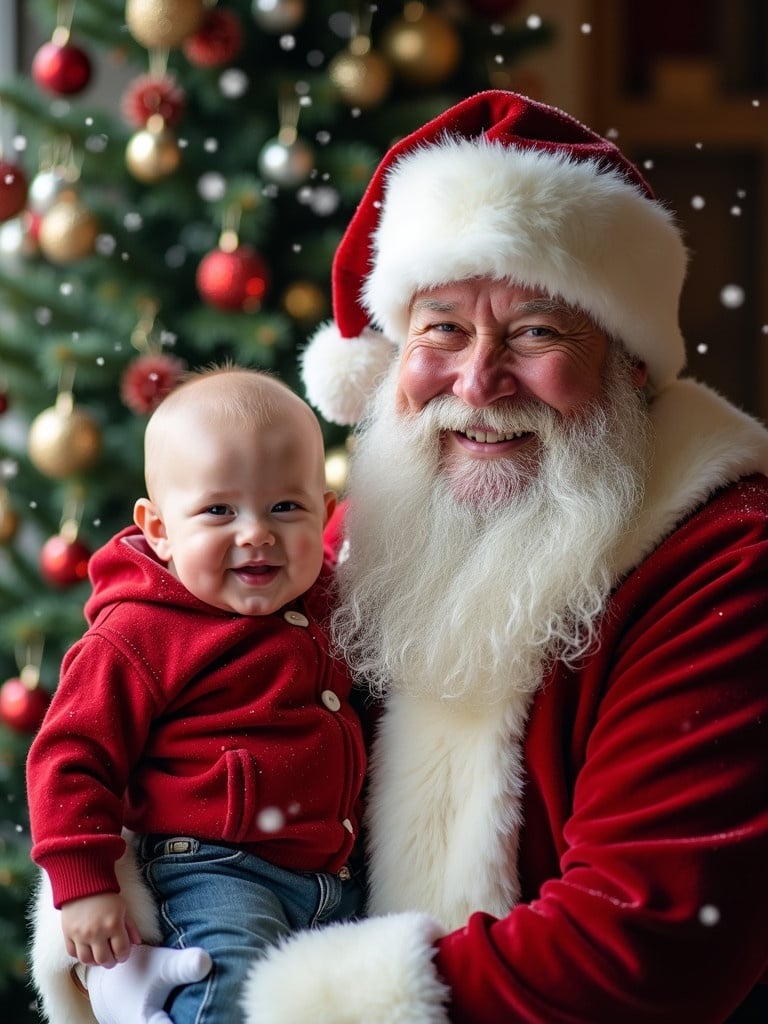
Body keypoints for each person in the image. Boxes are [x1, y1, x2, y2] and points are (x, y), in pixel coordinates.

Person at [30, 90, 768, 1024]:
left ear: (629, 363)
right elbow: (159, 708)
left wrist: (282, 1007)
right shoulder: (346, 543)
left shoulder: (722, 562)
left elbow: (648, 942)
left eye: (538, 330)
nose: (478, 377)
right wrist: (120, 927)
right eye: (442, 328)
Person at [26, 366, 366, 1024]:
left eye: (285, 507)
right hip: (216, 870)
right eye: (218, 510)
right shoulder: (139, 633)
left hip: (337, 878)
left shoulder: (329, 605)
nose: (256, 533)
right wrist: (84, 885)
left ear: (324, 515)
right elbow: (70, 755)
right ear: (158, 528)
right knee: (225, 994)